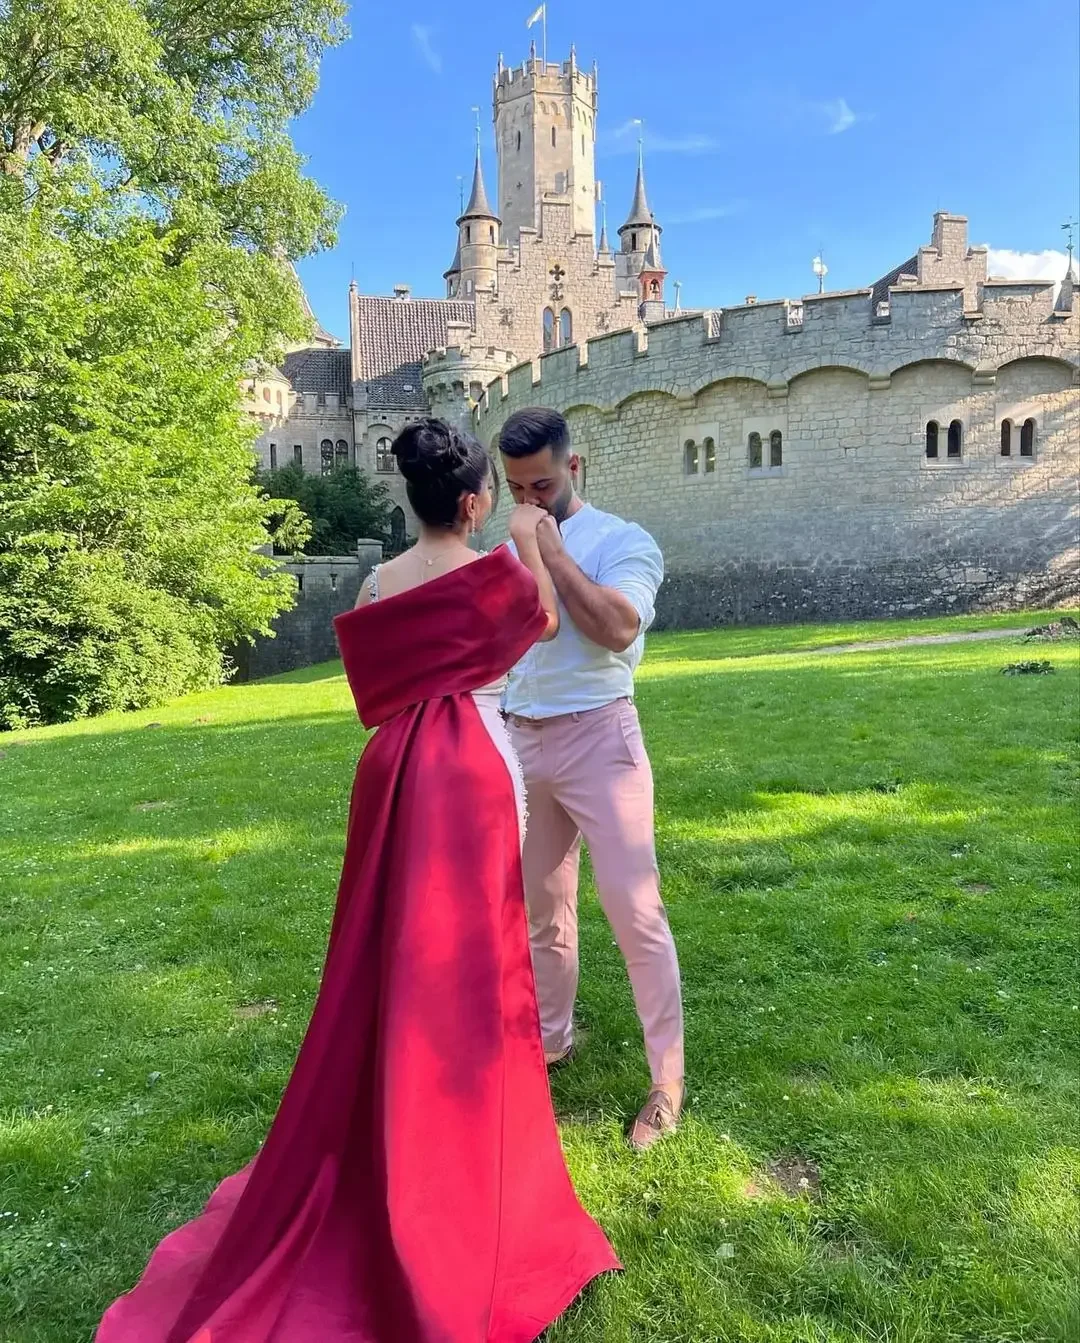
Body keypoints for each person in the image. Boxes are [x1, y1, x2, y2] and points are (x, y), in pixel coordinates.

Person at [96, 418, 619, 1342]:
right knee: (474, 951)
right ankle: (457, 1124)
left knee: (389, 943)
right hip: (471, 770)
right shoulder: (499, 565)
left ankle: (386, 1088)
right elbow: (534, 627)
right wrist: (535, 541)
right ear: (471, 500)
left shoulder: (379, 579)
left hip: (392, 767)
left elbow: (370, 692)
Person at [499, 407, 685, 1153]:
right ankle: (550, 1042)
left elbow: (616, 628)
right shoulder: (508, 539)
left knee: (636, 911)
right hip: (524, 738)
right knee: (542, 908)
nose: (529, 500)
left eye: (540, 484)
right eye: (514, 487)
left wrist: (551, 552)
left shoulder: (622, 541)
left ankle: (666, 1081)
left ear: (575, 468)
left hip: (600, 735)